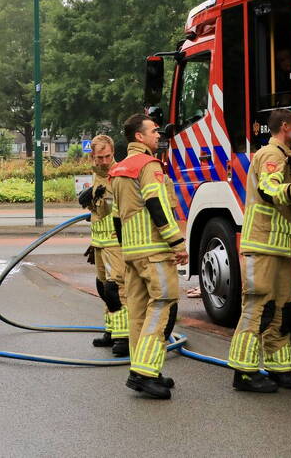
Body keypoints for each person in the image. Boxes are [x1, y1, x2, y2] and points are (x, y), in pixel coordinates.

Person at [228, 109, 291, 392]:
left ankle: (279, 368)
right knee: (260, 307)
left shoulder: (286, 157)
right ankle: (244, 372)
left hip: (280, 246)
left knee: (283, 309)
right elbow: (270, 191)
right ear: (285, 127)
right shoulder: (271, 155)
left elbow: (283, 203)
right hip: (263, 244)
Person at [111, 114, 189, 400]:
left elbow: (117, 217)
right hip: (155, 251)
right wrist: (177, 242)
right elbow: (157, 205)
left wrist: (125, 250)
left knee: (139, 313)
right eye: (154, 131)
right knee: (163, 304)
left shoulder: (118, 169)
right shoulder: (148, 165)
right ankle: (143, 374)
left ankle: (147, 368)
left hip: (132, 252)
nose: (159, 134)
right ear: (139, 137)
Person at [79, 134, 129, 357]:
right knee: (102, 287)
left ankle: (124, 336)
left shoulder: (119, 173)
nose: (104, 161)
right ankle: (111, 330)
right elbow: (98, 211)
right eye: (99, 157)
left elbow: (114, 207)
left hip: (115, 241)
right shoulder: (97, 174)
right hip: (99, 241)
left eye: (107, 156)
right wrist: (88, 199)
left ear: (113, 153)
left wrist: (100, 198)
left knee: (116, 288)